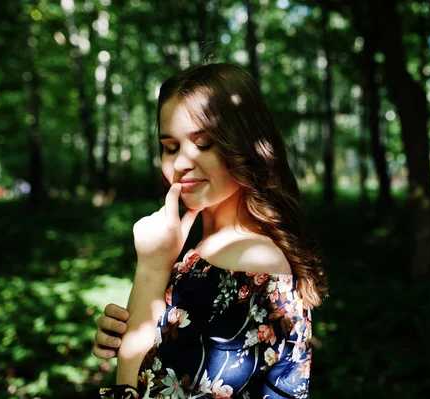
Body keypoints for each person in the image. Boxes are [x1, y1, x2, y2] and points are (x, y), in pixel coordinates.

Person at [92, 63, 327, 399]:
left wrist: (151, 270)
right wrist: (128, 331)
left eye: (203, 143)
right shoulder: (206, 251)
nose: (181, 163)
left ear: (243, 146)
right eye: (170, 147)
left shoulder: (252, 262)